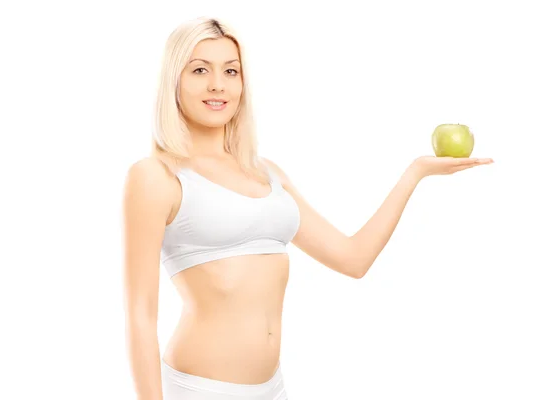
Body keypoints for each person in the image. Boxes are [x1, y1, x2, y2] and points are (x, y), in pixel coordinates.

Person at [122, 16, 493, 400]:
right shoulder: (156, 176)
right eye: (200, 69)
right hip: (201, 390)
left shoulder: (268, 174)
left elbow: (353, 259)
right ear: (174, 81)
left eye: (231, 71)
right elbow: (140, 315)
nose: (218, 84)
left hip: (274, 388)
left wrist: (415, 173)